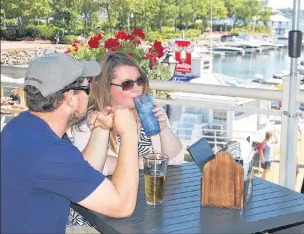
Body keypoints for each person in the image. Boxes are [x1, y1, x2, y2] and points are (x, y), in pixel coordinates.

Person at [1, 53, 141, 234]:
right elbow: (122, 207)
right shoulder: (50, 151)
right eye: (86, 88)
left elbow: (83, 173)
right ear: (71, 98)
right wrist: (129, 132)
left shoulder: (24, 126)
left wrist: (101, 128)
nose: (90, 94)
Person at [67, 52, 184, 227]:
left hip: (142, 209)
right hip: (98, 218)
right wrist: (151, 163)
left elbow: (175, 159)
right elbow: (94, 167)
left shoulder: (149, 115)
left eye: (140, 80)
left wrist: (164, 129)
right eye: (127, 84)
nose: (137, 88)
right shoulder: (94, 121)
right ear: (107, 88)